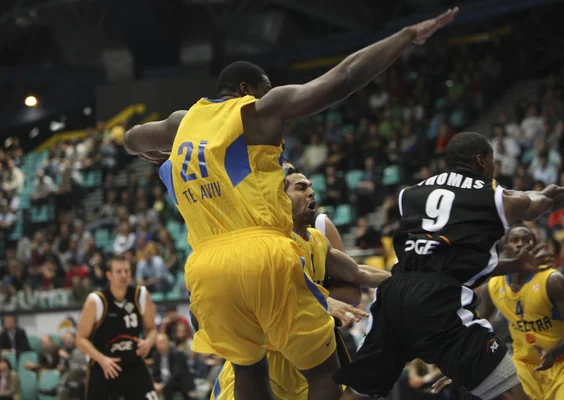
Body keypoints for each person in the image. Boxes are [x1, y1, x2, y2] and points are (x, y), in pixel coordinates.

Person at [123, 7, 459, 399]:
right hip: (261, 250)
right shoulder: (258, 108)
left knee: (248, 366)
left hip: (204, 266)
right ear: (249, 88)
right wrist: (405, 36)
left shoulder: (182, 123)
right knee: (325, 373)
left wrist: (154, 151)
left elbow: (132, 138)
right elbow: (344, 77)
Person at [334, 131, 564, 400]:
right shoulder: (497, 196)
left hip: (393, 295)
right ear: (481, 161)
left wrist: (514, 264)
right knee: (512, 394)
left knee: (357, 393)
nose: (495, 166)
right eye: (493, 160)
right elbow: (546, 198)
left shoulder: (409, 194)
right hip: (438, 301)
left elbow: (449, 257)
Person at [211, 168, 391, 400]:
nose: (311, 192)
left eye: (310, 186)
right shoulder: (272, 242)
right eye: (300, 188)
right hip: (266, 360)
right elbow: (280, 286)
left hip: (304, 363)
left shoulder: (317, 239)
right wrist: (324, 301)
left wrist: (404, 279)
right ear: (280, 197)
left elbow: (358, 272)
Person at [482, 224, 564, 400]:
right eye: (514, 240)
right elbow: (480, 329)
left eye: (526, 240)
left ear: (535, 247)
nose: (520, 244)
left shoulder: (552, 280)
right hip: (525, 365)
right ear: (505, 247)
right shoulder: (492, 287)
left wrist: (554, 352)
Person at [76, 255, 158, 400]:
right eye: (119, 271)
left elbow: (152, 329)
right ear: (109, 275)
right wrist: (102, 359)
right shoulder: (96, 300)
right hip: (104, 367)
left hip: (133, 363)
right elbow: (80, 339)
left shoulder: (141, 295)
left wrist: (148, 342)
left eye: (126, 271)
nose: (124, 275)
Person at [152, 333, 194, 400]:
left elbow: (176, 374)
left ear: (167, 342)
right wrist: (154, 383)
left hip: (178, 382)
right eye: (157, 343)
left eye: (161, 342)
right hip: (163, 381)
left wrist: (163, 385)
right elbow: (155, 372)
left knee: (167, 388)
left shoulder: (177, 353)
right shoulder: (156, 355)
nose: (159, 345)